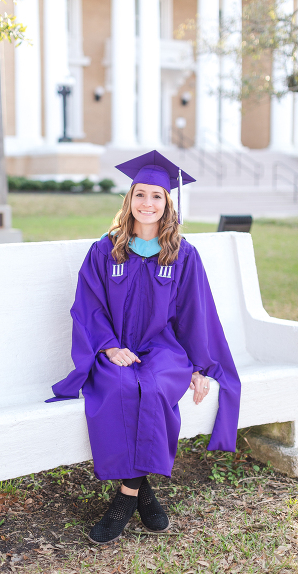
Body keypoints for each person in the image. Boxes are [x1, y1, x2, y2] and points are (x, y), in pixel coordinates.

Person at [46, 150, 241, 544]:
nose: (147, 203)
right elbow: (89, 305)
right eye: (141, 195)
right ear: (129, 200)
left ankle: (124, 498)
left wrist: (200, 366)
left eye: (157, 196)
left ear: (168, 203)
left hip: (163, 349)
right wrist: (107, 346)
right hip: (116, 348)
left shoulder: (183, 254)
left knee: (151, 388)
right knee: (119, 387)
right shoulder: (106, 249)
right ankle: (144, 493)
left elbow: (194, 314)